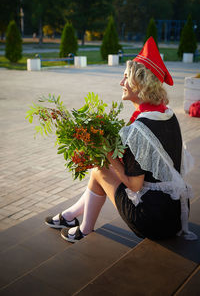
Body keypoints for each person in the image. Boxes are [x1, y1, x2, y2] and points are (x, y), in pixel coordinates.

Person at [45, 37, 197, 242]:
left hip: (153, 221)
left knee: (99, 170)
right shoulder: (166, 114)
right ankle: (71, 216)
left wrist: (106, 153)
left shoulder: (139, 128)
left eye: (126, 78)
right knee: (102, 168)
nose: (121, 83)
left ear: (140, 84)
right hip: (176, 211)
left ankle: (84, 229)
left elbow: (134, 186)